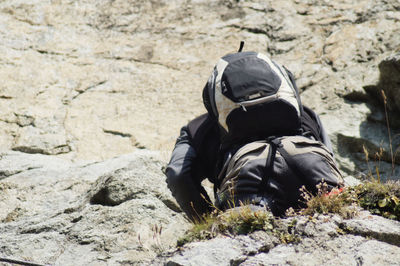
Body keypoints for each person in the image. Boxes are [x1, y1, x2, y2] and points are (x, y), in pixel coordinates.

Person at [165, 49, 343, 222]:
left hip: (249, 175)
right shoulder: (305, 114)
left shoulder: (197, 128)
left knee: (248, 239)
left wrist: (206, 219)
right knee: (343, 217)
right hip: (312, 162)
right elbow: (329, 158)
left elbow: (178, 174)